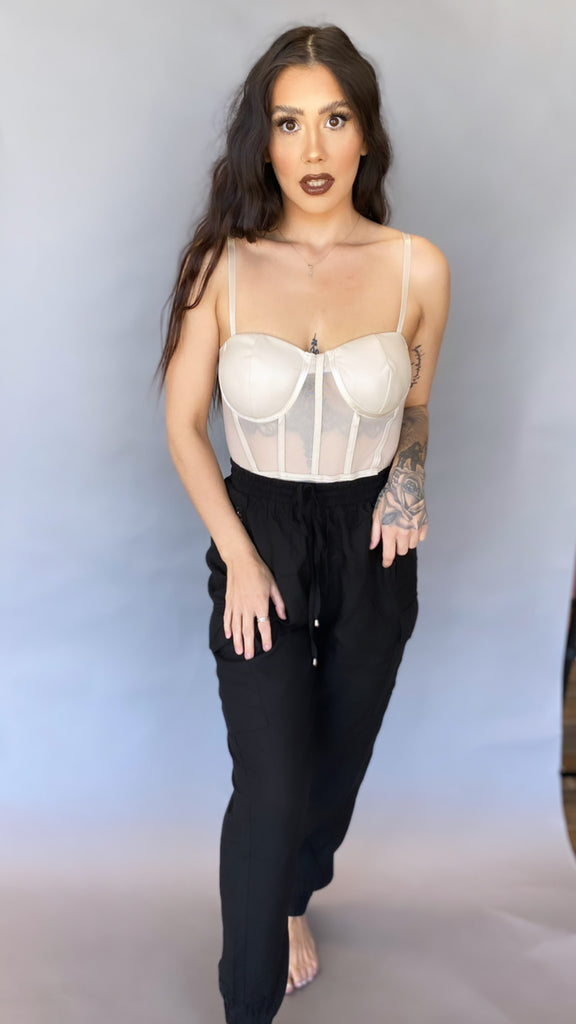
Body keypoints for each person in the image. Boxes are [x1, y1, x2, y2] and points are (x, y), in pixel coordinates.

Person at [154, 22, 449, 1024]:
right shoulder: (222, 266)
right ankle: (247, 1004)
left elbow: (415, 408)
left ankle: (291, 896)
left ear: (366, 134)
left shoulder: (418, 268)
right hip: (262, 530)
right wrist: (239, 558)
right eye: (289, 123)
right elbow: (183, 424)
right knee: (272, 782)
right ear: (264, 139)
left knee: (337, 760)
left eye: (334, 119)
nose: (313, 148)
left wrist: (408, 488)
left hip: (373, 543)